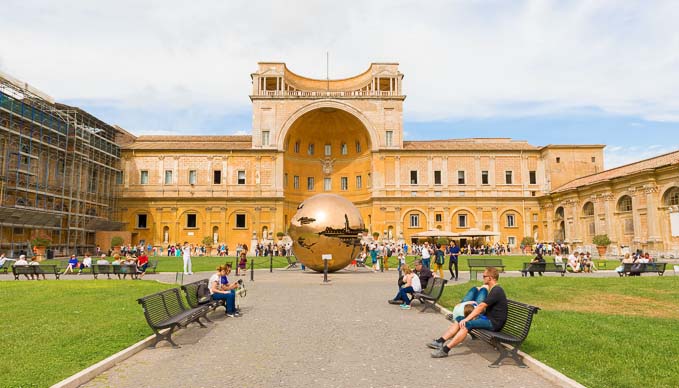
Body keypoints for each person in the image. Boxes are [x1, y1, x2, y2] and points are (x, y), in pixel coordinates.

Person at [429, 267, 507, 358]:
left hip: (494, 323)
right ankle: (440, 341)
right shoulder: (494, 289)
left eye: (484, 276)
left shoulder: (497, 290)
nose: (483, 278)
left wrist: (467, 319)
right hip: (488, 319)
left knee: (466, 324)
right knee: (459, 319)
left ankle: (445, 350)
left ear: (490, 278)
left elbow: (481, 306)